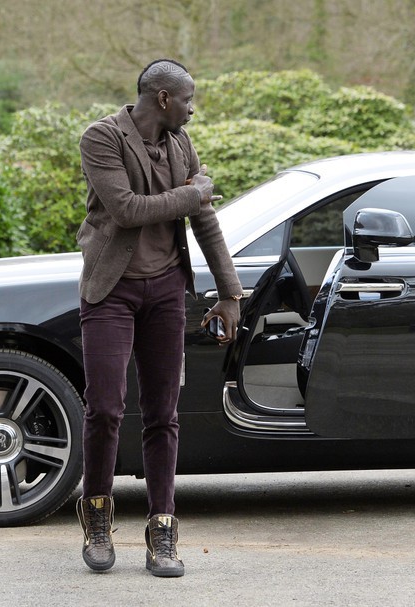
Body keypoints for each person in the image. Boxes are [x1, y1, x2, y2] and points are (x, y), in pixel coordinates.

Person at [75, 58, 242, 578]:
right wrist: (192, 193)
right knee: (104, 407)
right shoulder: (101, 138)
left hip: (167, 291)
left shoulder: (180, 144)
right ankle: (98, 515)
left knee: (162, 414)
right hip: (111, 291)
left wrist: (230, 293)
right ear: (164, 98)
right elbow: (126, 209)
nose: (193, 109)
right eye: (189, 99)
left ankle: (162, 529)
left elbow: (205, 221)